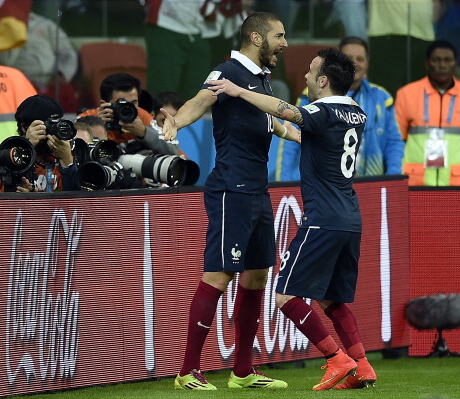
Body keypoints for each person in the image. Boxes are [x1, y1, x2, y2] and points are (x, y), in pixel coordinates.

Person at [204, 47, 377, 390]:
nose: (305, 78)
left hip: (323, 218)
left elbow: (289, 111)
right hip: (350, 217)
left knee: (285, 295)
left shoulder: (321, 111)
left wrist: (240, 91)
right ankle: (363, 365)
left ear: (324, 81)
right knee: (331, 299)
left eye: (311, 73)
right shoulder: (357, 111)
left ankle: (335, 359)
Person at [161, 12, 298, 390]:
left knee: (256, 276)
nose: (284, 44)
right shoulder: (227, 71)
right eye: (279, 36)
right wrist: (177, 120)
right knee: (219, 275)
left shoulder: (261, 81)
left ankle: (242, 372)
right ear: (256, 38)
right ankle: (188, 370)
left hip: (256, 189)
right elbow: (201, 99)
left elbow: (273, 124)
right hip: (230, 189)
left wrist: (308, 138)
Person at [278, 36, 404, 181]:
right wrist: (284, 185)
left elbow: (394, 142)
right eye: (349, 58)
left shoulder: (381, 98)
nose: (355, 64)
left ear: (368, 64)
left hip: (370, 186)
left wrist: (393, 181)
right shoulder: (312, 94)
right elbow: (290, 141)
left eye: (360, 59)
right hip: (324, 187)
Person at [395, 39, 460, 186]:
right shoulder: (407, 94)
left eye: (448, 60)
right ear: (427, 64)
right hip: (415, 181)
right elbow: (396, 142)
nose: (442, 65)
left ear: (455, 63)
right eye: (436, 60)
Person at [0, 12, 80, 113]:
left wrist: (61, 74)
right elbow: (4, 61)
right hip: (16, 83)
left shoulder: (45, 24)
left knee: (67, 97)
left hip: (51, 81)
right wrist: (15, 32)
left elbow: (67, 53)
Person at [77, 73, 180, 156]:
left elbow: (173, 149)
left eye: (134, 103)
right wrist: (97, 128)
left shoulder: (141, 116)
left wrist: (144, 133)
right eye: (122, 104)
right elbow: (72, 154)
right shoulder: (86, 119)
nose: (128, 109)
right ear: (104, 104)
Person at [143, 0, 212, 102]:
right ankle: (159, 117)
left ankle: (193, 116)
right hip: (166, 24)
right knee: (163, 88)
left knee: (199, 87)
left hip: (200, 28)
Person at [15, 94, 79, 192]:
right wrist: (27, 148)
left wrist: (67, 161)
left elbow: (78, 201)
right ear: (25, 128)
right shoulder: (10, 156)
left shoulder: (74, 152)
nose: (53, 131)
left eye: (56, 124)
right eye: (48, 125)